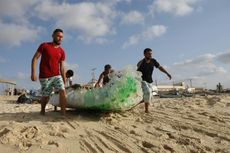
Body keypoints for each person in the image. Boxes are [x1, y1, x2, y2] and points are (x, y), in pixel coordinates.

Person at [31, 29, 67, 116]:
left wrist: (64, 78)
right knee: (46, 96)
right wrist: (33, 73)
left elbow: (62, 67)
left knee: (62, 90)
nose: (60, 38)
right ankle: (42, 110)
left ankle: (63, 114)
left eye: (61, 37)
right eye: (58, 36)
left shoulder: (62, 51)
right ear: (53, 36)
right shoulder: (44, 45)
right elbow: (35, 58)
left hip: (56, 75)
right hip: (45, 76)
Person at [137, 48, 171, 113]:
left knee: (148, 97)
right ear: (144, 54)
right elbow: (135, 72)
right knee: (148, 93)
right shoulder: (141, 63)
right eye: (149, 54)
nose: (150, 55)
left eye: (151, 54)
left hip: (150, 81)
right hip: (142, 80)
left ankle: (136, 103)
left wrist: (167, 73)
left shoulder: (153, 61)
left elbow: (160, 67)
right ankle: (146, 110)